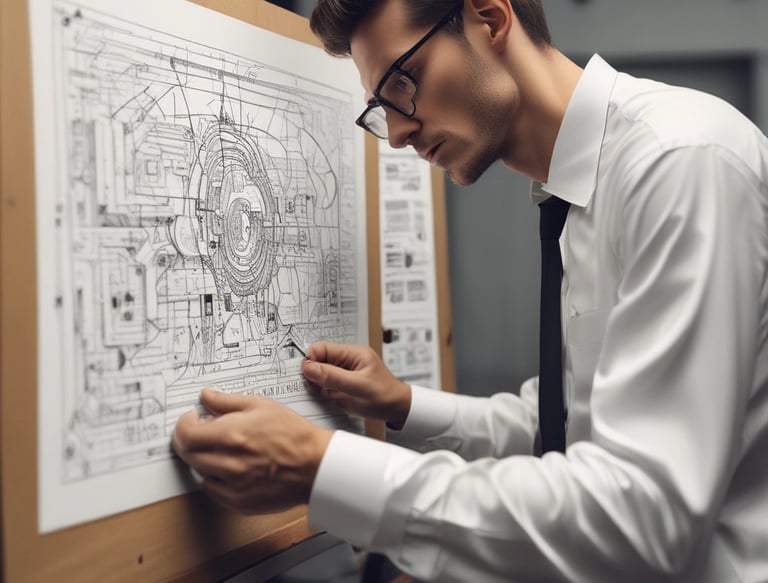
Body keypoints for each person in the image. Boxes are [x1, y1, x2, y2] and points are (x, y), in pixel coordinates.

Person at [172, 0, 768, 580]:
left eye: (403, 81)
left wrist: (323, 468)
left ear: (489, 18)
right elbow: (563, 423)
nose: (397, 133)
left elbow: (645, 520)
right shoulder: (578, 191)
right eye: (379, 107)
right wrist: (401, 405)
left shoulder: (679, 163)